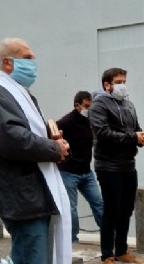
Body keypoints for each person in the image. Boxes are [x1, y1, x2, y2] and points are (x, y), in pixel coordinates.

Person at [0, 38, 72, 264]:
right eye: (28, 57)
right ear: (8, 63)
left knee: (27, 256)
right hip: (21, 196)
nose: (34, 62)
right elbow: (12, 139)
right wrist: (52, 148)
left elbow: (30, 136)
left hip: (34, 194)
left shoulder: (21, 95)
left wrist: (58, 146)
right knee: (31, 257)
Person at [89, 67, 144, 264]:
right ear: (107, 84)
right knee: (111, 210)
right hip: (108, 166)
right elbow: (103, 133)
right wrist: (133, 137)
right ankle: (107, 254)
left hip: (128, 165)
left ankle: (122, 250)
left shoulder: (129, 105)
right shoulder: (98, 106)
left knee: (126, 209)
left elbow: (135, 128)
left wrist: (141, 137)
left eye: (124, 81)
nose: (123, 85)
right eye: (119, 81)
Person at [56, 91, 103, 243]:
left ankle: (109, 235)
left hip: (86, 172)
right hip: (68, 172)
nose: (89, 109)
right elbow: (53, 138)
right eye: (86, 106)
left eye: (91, 106)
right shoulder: (65, 122)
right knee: (71, 208)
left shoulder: (90, 121)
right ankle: (72, 239)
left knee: (99, 203)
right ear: (77, 105)